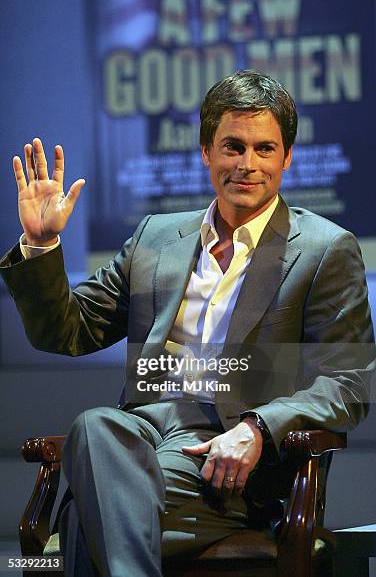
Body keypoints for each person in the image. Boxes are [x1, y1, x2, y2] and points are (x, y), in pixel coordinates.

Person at [0, 71, 374, 577]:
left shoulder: (324, 249)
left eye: (265, 149)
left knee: (82, 517)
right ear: (205, 151)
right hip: (140, 438)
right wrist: (42, 245)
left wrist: (260, 426)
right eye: (232, 146)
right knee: (96, 427)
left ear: (287, 157)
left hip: (228, 461)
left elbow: (350, 383)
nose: (247, 165)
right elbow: (67, 331)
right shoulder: (157, 237)